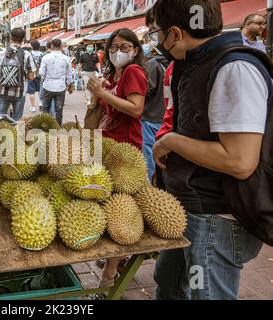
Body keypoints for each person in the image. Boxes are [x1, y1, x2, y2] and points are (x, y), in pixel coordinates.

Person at [151, 0, 267, 300]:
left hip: (217, 216)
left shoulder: (234, 69)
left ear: (174, 33)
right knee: (169, 282)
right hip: (192, 207)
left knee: (207, 294)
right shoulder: (197, 63)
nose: (158, 42)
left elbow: (240, 161)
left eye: (157, 33)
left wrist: (170, 142)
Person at [87, 28, 147, 293]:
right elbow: (98, 115)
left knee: (121, 211)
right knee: (111, 206)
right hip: (108, 147)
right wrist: (96, 95)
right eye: (113, 47)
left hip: (126, 152)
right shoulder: (114, 75)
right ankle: (114, 260)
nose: (117, 52)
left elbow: (136, 109)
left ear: (135, 49)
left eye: (124, 47)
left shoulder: (134, 72)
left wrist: (103, 94)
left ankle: (110, 275)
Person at [141, 8, 170, 182]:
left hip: (152, 119)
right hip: (164, 119)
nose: (155, 36)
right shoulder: (171, 60)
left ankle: (150, 190)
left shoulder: (153, 63)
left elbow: (144, 93)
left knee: (150, 161)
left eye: (155, 30)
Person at [0, 27, 35, 121]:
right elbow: (31, 77)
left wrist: (5, 73)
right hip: (19, 92)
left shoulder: (1, 52)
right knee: (17, 120)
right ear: (23, 39)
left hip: (3, 90)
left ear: (11, 37)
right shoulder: (26, 54)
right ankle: (16, 135)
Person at [39, 39, 73, 125]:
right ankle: (57, 129)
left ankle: (45, 128)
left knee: (46, 109)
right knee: (59, 111)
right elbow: (69, 75)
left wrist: (46, 77)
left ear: (51, 46)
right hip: (61, 87)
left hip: (47, 86)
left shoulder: (46, 57)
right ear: (61, 47)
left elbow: (41, 73)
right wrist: (69, 86)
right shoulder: (66, 58)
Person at [28, 40, 44, 112]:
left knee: (31, 91)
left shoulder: (29, 54)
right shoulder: (42, 54)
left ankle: (33, 107)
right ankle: (41, 103)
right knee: (40, 89)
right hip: (40, 74)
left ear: (32, 46)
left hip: (31, 74)